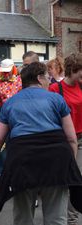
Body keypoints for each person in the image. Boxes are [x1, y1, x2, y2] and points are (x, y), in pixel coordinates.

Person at [0, 62, 82, 225]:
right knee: (57, 218)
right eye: (47, 77)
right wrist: (68, 164)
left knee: (23, 217)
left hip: (22, 160)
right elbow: (71, 138)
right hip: (55, 159)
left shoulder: (11, 103)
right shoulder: (56, 99)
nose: (49, 81)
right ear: (39, 78)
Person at [48, 53, 82, 225]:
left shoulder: (81, 86)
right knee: (63, 179)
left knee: (77, 179)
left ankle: (73, 219)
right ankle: (59, 217)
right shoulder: (55, 89)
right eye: (80, 73)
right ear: (72, 70)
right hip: (63, 140)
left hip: (80, 138)